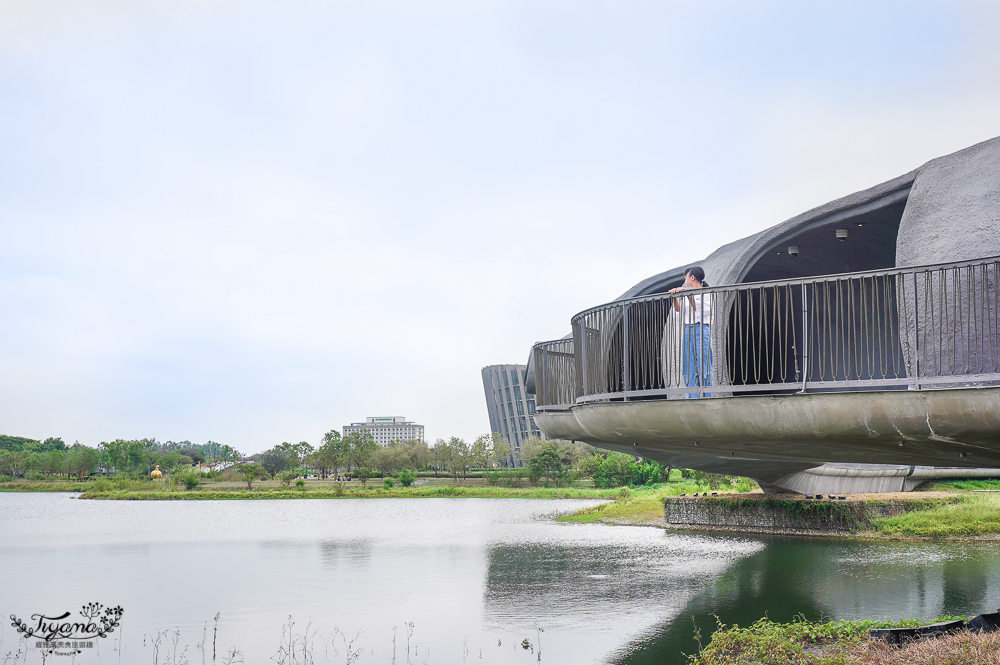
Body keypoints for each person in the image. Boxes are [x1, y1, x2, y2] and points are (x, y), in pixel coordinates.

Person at [669, 267, 713, 398]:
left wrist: (688, 295)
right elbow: (678, 311)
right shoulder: (686, 294)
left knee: (704, 365)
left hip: (702, 329)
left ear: (692, 277)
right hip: (688, 329)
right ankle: (692, 398)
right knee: (688, 367)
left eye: (686, 277)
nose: (685, 281)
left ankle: (707, 397)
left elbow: (699, 310)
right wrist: (675, 297)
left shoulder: (706, 293)